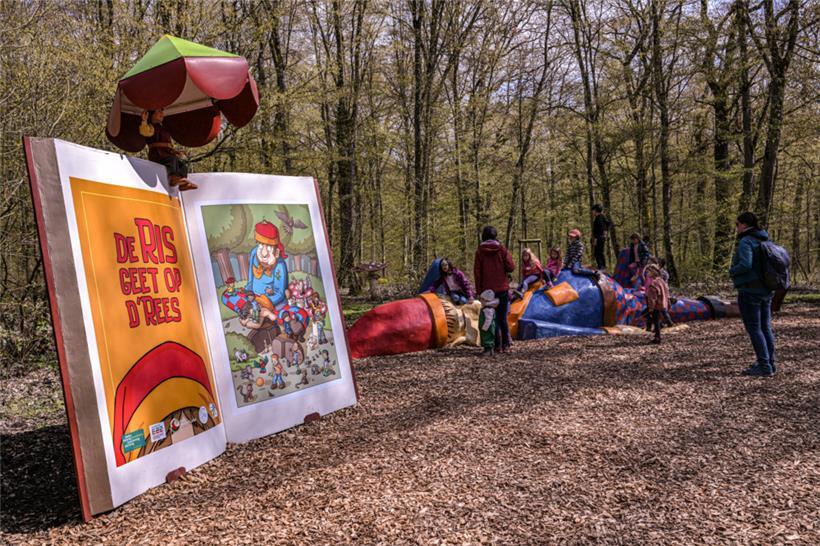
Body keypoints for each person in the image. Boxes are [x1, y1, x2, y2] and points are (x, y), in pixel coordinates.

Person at [730, 212, 776, 377]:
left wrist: (732, 271)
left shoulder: (746, 241)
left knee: (755, 329)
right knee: (765, 327)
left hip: (750, 291)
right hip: (766, 290)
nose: (736, 228)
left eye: (737, 224)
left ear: (743, 225)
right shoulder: (765, 239)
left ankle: (764, 366)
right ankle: (770, 362)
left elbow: (746, 264)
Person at [474, 226, 515, 352]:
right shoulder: (501, 249)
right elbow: (511, 267)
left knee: (491, 318)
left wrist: (479, 290)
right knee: (502, 318)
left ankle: (495, 345)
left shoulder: (480, 251)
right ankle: (506, 345)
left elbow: (477, 272)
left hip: (487, 291)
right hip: (502, 288)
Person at [143, 109, 197, 191]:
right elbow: (144, 131)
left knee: (182, 165)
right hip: (157, 154)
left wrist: (174, 151)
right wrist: (144, 121)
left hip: (165, 153)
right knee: (172, 160)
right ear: (152, 115)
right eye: (158, 111)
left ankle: (183, 183)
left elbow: (166, 144)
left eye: (162, 111)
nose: (162, 113)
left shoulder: (163, 128)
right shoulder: (150, 127)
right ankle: (173, 178)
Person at [644, 264, 670, 344]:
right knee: (656, 320)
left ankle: (657, 338)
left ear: (652, 272)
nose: (647, 274)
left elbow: (652, 298)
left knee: (655, 321)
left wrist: (651, 309)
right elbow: (667, 291)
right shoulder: (661, 281)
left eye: (648, 272)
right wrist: (667, 302)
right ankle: (657, 334)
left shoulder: (654, 284)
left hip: (657, 306)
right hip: (662, 304)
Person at [478, 290, 499, 356]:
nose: (480, 301)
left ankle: (488, 351)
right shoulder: (485, 308)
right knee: (485, 339)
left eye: (481, 300)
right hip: (485, 327)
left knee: (488, 339)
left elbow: (488, 319)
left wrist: (485, 327)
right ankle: (487, 350)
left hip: (488, 328)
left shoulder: (488, 309)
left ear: (486, 300)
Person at [591, 204, 609, 270]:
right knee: (600, 252)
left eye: (593, 210)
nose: (592, 212)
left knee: (597, 253)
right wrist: (606, 231)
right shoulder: (602, 217)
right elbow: (608, 223)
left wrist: (595, 239)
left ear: (596, 211)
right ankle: (602, 266)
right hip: (601, 237)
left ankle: (601, 267)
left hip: (599, 237)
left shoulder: (599, 218)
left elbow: (599, 229)